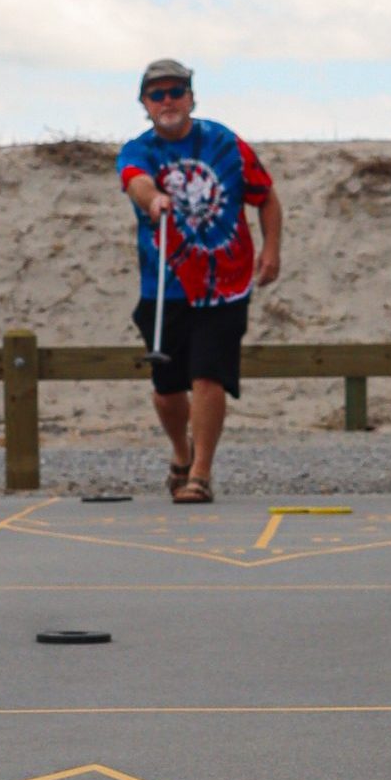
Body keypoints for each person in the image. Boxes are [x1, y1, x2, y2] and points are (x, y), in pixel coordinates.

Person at [118, 58, 283, 503]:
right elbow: (134, 181)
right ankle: (181, 451)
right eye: (157, 95)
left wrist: (271, 249)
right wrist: (153, 200)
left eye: (176, 92)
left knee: (209, 376)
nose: (168, 101)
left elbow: (265, 197)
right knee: (167, 390)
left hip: (224, 284)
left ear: (191, 97)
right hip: (164, 286)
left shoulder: (224, 143)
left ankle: (201, 473)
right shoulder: (139, 149)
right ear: (145, 104)